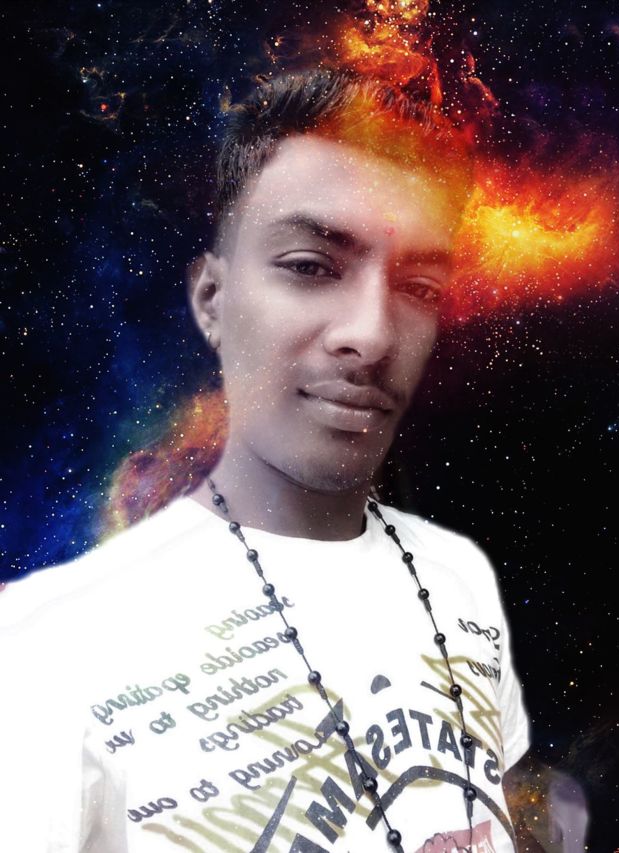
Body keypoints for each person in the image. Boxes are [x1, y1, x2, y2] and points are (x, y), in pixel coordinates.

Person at [0, 68, 534, 852]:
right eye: (311, 266)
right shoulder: (41, 647)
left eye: (419, 285)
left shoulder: (461, 578)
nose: (372, 334)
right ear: (211, 300)